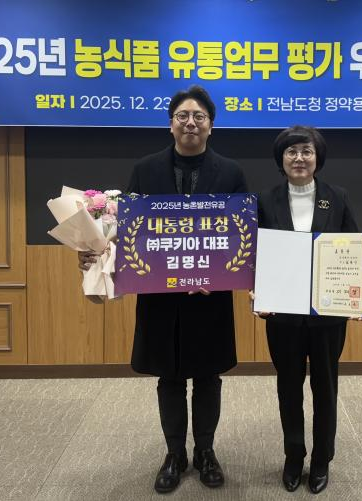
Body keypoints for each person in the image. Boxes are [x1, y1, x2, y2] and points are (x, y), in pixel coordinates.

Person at [78, 85, 247, 494]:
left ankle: (205, 451)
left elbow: (243, 234)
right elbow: (129, 232)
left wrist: (218, 274)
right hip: (160, 297)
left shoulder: (231, 172)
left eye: (199, 117)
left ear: (211, 125)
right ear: (171, 124)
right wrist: (95, 252)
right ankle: (174, 454)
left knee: (207, 377)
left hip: (209, 297)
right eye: (182, 116)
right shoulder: (145, 170)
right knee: (168, 378)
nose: (191, 123)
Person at [252, 125, 362, 494]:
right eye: (291, 151)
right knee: (288, 388)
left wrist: (360, 295)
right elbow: (255, 254)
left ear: (317, 158)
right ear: (281, 158)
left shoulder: (337, 197)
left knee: (325, 387)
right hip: (282, 316)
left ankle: (321, 459)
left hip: (327, 316)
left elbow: (353, 247)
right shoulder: (265, 200)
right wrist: (258, 292)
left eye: (306, 151)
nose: (299, 158)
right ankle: (293, 456)